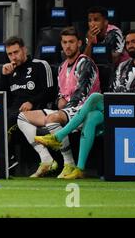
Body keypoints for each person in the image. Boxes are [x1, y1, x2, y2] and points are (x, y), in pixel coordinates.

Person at [35, 30, 135, 179]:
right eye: (127, 43)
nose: (130, 45)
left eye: (134, 42)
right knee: (92, 116)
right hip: (118, 110)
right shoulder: (122, 66)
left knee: (95, 97)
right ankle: (80, 168)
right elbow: (113, 90)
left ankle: (59, 136)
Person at [17, 26, 101, 178]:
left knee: (52, 119)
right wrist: (58, 100)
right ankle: (46, 160)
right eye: (64, 42)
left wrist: (63, 107)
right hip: (66, 111)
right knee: (23, 117)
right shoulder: (62, 67)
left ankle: (69, 163)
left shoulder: (85, 63)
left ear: (79, 43)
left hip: (83, 110)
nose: (68, 46)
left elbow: (82, 95)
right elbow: (60, 94)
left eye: (71, 42)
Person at [0, 36, 56, 171]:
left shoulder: (40, 65)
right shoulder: (10, 71)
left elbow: (51, 92)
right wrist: (4, 76)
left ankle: (7, 160)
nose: (13, 57)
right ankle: (7, 160)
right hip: (14, 112)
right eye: (10, 54)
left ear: (24, 50)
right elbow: (4, 99)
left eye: (16, 52)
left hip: (36, 111)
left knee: (11, 118)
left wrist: (32, 102)